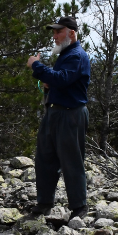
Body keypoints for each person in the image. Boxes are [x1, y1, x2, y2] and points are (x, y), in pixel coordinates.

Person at [26, 16, 91, 219]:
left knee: (71, 160)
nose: (54, 36)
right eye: (53, 32)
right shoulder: (67, 54)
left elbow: (62, 79)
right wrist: (49, 83)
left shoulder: (76, 55)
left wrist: (36, 66)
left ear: (71, 33)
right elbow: (63, 80)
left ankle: (79, 208)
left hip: (70, 114)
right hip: (55, 112)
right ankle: (44, 203)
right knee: (45, 159)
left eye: (58, 32)